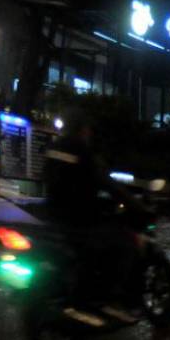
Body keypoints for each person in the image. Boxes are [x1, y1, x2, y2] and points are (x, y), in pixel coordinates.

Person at [44, 114, 140, 305]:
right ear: (82, 130)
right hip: (79, 216)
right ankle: (111, 293)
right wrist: (132, 203)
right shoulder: (82, 151)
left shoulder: (54, 147)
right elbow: (103, 181)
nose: (89, 133)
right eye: (87, 129)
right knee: (125, 241)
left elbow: (46, 175)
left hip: (54, 213)